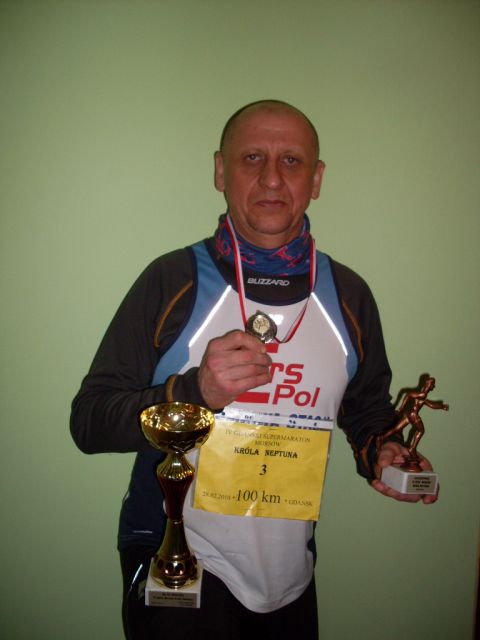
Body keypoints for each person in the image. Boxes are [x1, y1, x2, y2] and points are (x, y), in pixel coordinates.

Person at [70, 99, 438, 640]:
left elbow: (366, 411)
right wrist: (194, 391)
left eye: (291, 161)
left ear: (316, 179)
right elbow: (89, 422)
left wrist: (382, 452)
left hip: (290, 578)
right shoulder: (171, 281)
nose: (271, 178)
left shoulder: (350, 296)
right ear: (221, 171)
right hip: (179, 569)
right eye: (251, 158)